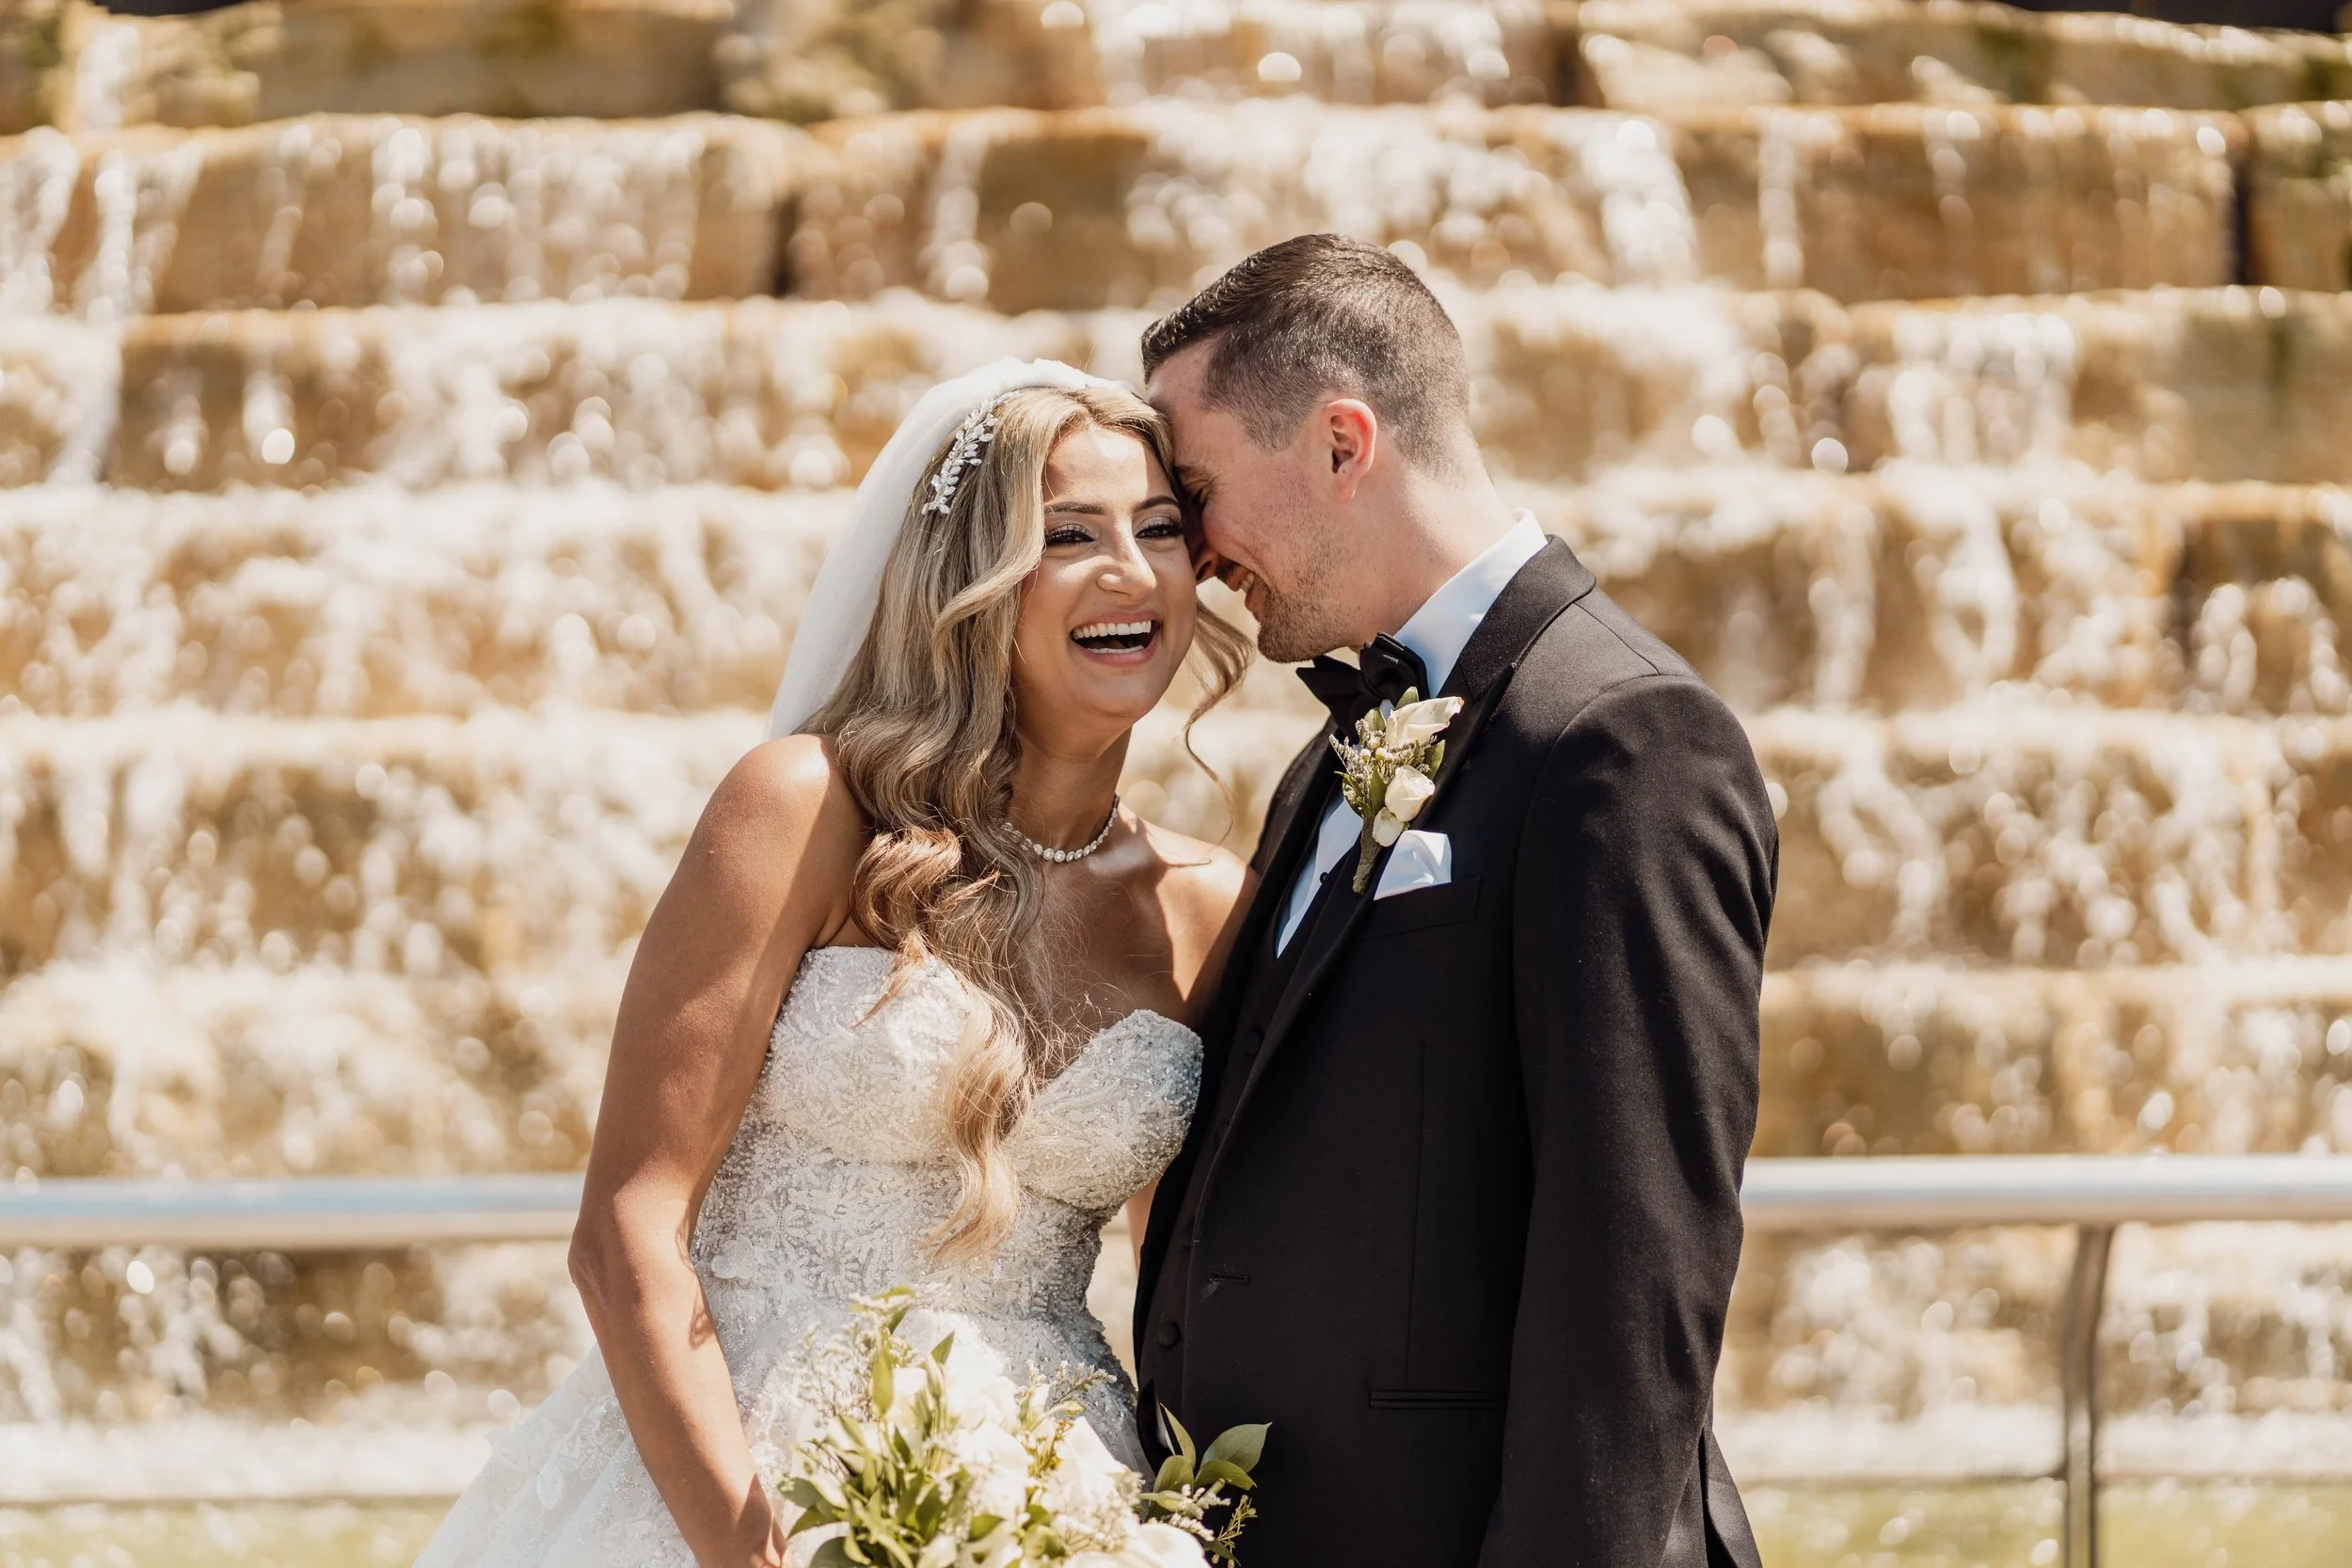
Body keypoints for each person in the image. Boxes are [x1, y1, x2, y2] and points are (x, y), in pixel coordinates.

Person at [414, 361, 1254, 1568]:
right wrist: (753, 1554)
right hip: (735, 1490)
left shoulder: (1205, 906)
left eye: (1159, 528)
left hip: (1055, 1494)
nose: (1130, 569)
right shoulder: (804, 809)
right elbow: (627, 1226)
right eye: (1065, 533)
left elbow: (1193, 1292)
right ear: (972, 579)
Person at [1132, 233, 1779, 1568]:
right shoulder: (1333, 754)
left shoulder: (1626, 736)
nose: (1191, 554)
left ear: (1340, 442)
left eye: (1195, 490)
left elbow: (1634, 1276)